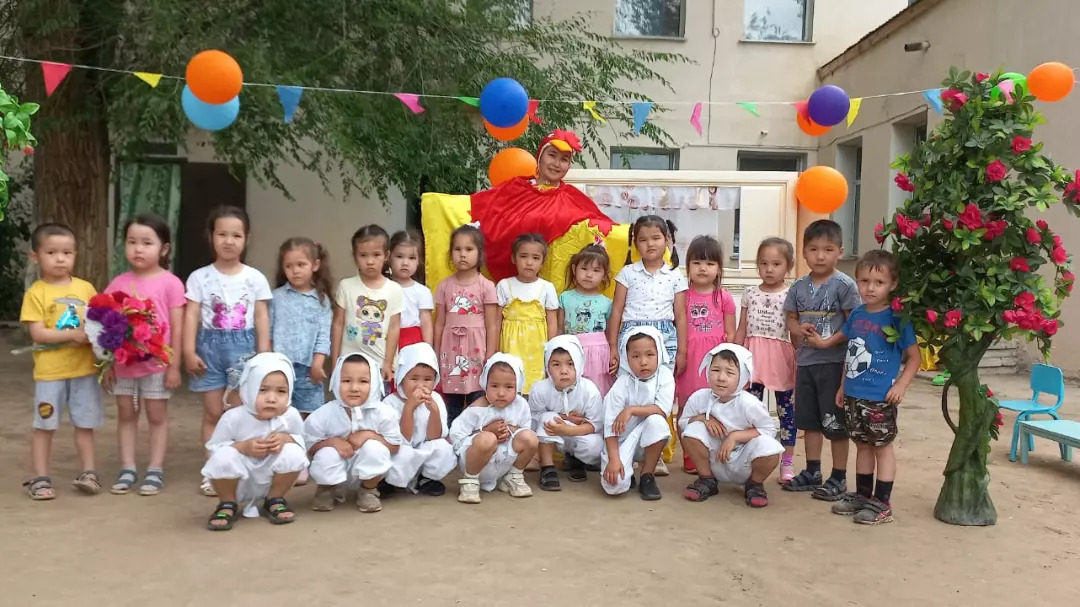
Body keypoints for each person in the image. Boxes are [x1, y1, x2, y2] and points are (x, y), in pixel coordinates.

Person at [804, 250, 918, 525]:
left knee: (882, 448)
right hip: (854, 395)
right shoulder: (856, 314)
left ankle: (882, 504)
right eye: (864, 281)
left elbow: (915, 357)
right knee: (863, 446)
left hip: (880, 397)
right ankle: (863, 496)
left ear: (893, 284)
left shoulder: (897, 318)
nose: (870, 288)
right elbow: (850, 350)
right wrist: (843, 386)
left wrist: (901, 385)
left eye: (879, 282)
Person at [183, 206, 274, 497]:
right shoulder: (199, 277)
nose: (229, 241)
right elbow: (191, 315)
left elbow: (261, 316)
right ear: (211, 236)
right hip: (209, 349)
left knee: (238, 412)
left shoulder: (255, 278)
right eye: (222, 234)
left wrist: (264, 354)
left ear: (247, 239)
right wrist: (188, 351)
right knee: (212, 413)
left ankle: (241, 466)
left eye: (236, 235)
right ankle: (214, 470)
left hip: (244, 350)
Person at [102, 213, 186, 496]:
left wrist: (174, 366)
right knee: (126, 414)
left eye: (147, 243)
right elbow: (104, 324)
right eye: (132, 242)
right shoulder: (118, 283)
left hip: (158, 364)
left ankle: (155, 469)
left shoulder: (171, 283)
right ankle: (127, 468)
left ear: (164, 248)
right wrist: (107, 364)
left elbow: (177, 326)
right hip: (124, 364)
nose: (138, 249)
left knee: (156, 415)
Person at [21, 223, 103, 500]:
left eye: (67, 253)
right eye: (52, 252)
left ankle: (89, 473)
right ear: (35, 256)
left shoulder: (86, 288)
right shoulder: (36, 293)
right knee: (45, 425)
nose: (60, 259)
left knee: (85, 424)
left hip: (84, 371)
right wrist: (73, 334)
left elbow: (99, 324)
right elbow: (38, 333)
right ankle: (40, 478)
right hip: (50, 373)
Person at [782, 220, 861, 500]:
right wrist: (797, 329)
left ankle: (838, 476)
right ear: (804, 252)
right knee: (810, 421)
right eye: (813, 249)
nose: (820, 256)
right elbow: (791, 318)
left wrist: (828, 342)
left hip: (834, 364)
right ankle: (812, 471)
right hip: (806, 363)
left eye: (828, 249)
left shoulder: (845, 285)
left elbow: (855, 324)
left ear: (840, 252)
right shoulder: (798, 287)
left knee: (835, 423)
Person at [469, 129, 614, 282]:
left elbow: (601, 226)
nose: (556, 164)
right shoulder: (516, 187)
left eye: (564, 159)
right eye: (552, 155)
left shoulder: (574, 197)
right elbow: (479, 205)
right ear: (539, 156)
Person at [607, 215, 687, 476]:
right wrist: (612, 347)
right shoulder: (627, 274)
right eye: (643, 239)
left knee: (659, 395)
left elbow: (680, 316)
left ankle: (655, 452)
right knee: (629, 393)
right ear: (635, 243)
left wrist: (682, 351)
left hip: (664, 339)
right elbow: (616, 312)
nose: (650, 244)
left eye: (656, 238)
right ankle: (626, 450)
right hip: (631, 338)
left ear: (667, 240)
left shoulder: (675, 276)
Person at [202, 353, 308, 530]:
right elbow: (213, 449)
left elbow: (303, 442)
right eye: (263, 390)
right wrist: (242, 447)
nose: (272, 398)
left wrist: (286, 439)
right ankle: (227, 503)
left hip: (272, 474)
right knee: (223, 456)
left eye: (281, 391)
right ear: (248, 388)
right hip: (238, 478)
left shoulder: (291, 416)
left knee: (294, 452)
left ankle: (275, 499)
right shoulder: (233, 417)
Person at [679, 344, 783, 508]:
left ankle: (754, 485)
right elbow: (683, 423)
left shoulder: (749, 403)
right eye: (715, 370)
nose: (721, 377)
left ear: (742, 377)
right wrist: (703, 419)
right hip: (713, 458)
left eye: (730, 373)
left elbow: (768, 430)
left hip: (743, 460)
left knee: (771, 447)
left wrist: (734, 437)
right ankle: (707, 480)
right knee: (692, 430)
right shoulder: (699, 398)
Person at [304, 352, 403, 513]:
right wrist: (332, 442)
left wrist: (370, 435)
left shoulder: (384, 413)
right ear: (336, 381)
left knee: (375, 448)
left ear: (374, 383)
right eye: (346, 381)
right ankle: (326, 490)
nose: (354, 388)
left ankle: (368, 491)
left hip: (369, 470)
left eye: (363, 381)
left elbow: (395, 446)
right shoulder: (324, 413)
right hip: (335, 466)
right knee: (327, 452)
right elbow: (309, 447)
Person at [735, 237, 798, 484]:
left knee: (787, 412)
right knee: (750, 411)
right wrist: (735, 355)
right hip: (753, 358)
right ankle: (750, 456)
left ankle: (787, 461)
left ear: (788, 266)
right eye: (763, 263)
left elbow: (794, 329)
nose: (769, 269)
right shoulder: (750, 293)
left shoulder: (792, 294)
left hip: (780, 358)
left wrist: (800, 356)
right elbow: (742, 328)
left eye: (776, 264)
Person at [675, 235, 736, 474]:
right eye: (697, 262)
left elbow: (731, 333)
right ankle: (690, 454)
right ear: (688, 265)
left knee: (717, 406)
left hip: (715, 361)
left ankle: (715, 451)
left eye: (710, 263)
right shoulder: (682, 296)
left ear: (719, 268)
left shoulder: (724, 297)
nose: (703, 268)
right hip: (689, 359)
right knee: (687, 406)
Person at [448, 354, 539, 504]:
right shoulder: (477, 409)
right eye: (494, 386)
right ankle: (470, 481)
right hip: (476, 464)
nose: (501, 393)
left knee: (530, 437)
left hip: (504, 462)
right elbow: (456, 437)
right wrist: (485, 431)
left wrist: (509, 430)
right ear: (485, 384)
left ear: (518, 386)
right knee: (487, 438)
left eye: (509, 387)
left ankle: (513, 476)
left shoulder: (521, 405)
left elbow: (524, 430)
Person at [601, 326, 675, 500]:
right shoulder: (622, 383)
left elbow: (662, 409)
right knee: (614, 485)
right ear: (626, 359)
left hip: (648, 436)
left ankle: (647, 475)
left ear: (659, 353)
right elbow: (609, 426)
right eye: (636, 356)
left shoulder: (664, 375)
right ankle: (627, 470)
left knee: (657, 421)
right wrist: (614, 459)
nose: (643, 362)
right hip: (622, 440)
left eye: (650, 355)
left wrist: (630, 410)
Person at [434, 224, 499, 423]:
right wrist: (435, 352)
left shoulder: (486, 286)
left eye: (469, 249)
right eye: (458, 249)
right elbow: (439, 323)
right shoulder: (444, 286)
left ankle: (474, 435)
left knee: (476, 398)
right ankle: (450, 435)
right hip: (450, 350)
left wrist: (490, 355)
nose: (463, 254)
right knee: (451, 401)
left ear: (480, 253)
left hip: (477, 350)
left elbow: (492, 325)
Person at [331, 224, 403, 386]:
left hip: (379, 365)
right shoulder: (346, 286)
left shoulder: (394, 289)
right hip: (348, 364)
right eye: (363, 255)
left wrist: (388, 363)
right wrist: (335, 361)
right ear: (355, 256)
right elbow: (338, 324)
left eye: (376, 255)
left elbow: (394, 328)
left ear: (386, 255)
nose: (370, 261)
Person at [529, 335, 604, 490]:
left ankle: (576, 460)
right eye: (556, 365)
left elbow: (595, 425)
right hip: (553, 432)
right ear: (547, 366)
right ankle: (547, 467)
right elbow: (534, 419)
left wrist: (568, 430)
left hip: (578, 433)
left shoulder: (589, 390)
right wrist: (564, 418)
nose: (564, 371)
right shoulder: (540, 389)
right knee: (547, 417)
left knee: (596, 446)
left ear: (580, 364)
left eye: (570, 364)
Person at [270, 237, 333, 419]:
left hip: (308, 370)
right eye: (289, 266)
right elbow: (268, 332)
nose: (295, 271)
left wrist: (318, 363)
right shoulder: (276, 298)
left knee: (311, 416)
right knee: (279, 413)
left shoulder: (322, 301)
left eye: (301, 265)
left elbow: (323, 336)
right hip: (280, 368)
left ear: (315, 265)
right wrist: (269, 361)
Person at [382, 343, 456, 496]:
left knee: (444, 448)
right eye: (414, 378)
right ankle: (389, 481)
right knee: (403, 453)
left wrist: (434, 410)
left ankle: (426, 478)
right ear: (402, 378)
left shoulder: (436, 399)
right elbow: (403, 439)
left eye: (427, 379)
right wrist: (409, 407)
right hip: (400, 453)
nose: (421, 385)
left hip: (422, 451)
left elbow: (434, 437)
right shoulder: (390, 403)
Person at [497, 233, 559, 395]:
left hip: (537, 348)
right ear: (514, 258)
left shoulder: (546, 288)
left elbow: (552, 322)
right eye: (523, 256)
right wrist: (495, 350)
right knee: (510, 382)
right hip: (510, 346)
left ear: (542, 262)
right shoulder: (504, 285)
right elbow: (496, 322)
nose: (529, 262)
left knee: (535, 387)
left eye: (535, 258)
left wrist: (551, 351)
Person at [557, 244, 614, 395]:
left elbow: (610, 334)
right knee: (571, 390)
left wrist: (613, 354)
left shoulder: (607, 303)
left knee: (596, 391)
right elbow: (559, 329)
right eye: (584, 268)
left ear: (604, 275)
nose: (589, 275)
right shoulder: (565, 298)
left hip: (598, 354)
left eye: (596, 270)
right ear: (574, 269)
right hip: (570, 351)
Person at [388, 229, 433, 349]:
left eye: (412, 258)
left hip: (413, 343)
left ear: (418, 261)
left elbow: (426, 323)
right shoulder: (382, 288)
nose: (405, 263)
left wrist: (428, 350)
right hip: (386, 340)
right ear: (388, 257)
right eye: (399, 256)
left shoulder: (422, 292)